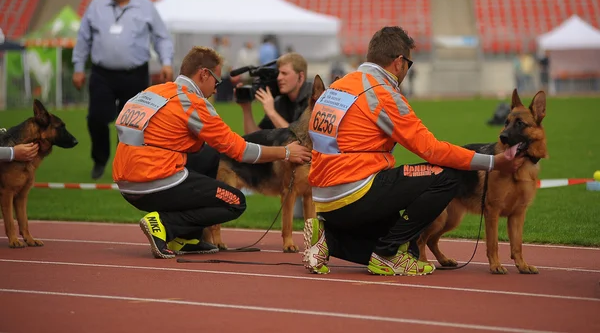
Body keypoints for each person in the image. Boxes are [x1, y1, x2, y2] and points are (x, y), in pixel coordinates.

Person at [303, 26, 525, 276]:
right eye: (409, 63)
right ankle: (387, 255)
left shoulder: (336, 87)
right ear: (399, 62)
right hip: (355, 191)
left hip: (323, 200)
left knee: (402, 248)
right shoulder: (382, 93)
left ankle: (328, 240)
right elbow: (431, 150)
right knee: (447, 176)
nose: (408, 70)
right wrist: (493, 162)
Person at [112, 46, 312, 259]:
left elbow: (123, 130)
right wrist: (286, 152)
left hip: (125, 183)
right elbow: (239, 150)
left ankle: (186, 237)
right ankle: (164, 225)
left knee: (208, 156)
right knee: (235, 202)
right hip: (155, 180)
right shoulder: (193, 103)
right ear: (203, 74)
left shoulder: (149, 92)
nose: (216, 89)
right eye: (216, 82)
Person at [72, 0, 174, 181]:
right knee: (96, 118)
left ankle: (125, 165)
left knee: (131, 124)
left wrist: (166, 62)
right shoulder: (96, 6)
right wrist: (78, 67)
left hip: (135, 75)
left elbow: (161, 37)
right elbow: (83, 39)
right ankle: (100, 160)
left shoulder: (146, 7)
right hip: (102, 74)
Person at [239, 52, 312, 134]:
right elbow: (254, 137)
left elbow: (299, 140)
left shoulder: (314, 100)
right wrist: (246, 109)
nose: (279, 78)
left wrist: (272, 113)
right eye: (278, 73)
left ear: (300, 77)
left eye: (284, 73)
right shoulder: (281, 101)